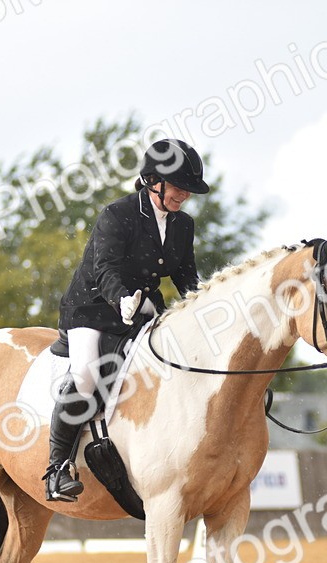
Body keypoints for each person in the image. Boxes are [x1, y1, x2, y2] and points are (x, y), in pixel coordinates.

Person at [43, 139, 210, 502]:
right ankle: (57, 469)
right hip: (93, 307)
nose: (184, 195)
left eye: (188, 190)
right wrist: (120, 298)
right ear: (153, 181)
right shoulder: (117, 215)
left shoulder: (183, 225)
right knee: (86, 375)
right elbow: (105, 268)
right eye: (178, 187)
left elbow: (186, 276)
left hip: (142, 306)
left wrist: (203, 309)